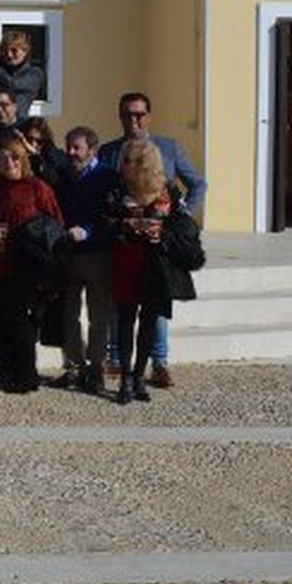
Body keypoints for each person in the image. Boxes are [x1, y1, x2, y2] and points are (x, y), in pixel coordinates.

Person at [96, 91, 208, 390]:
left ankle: (158, 364)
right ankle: (117, 361)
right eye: (126, 114)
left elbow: (197, 184)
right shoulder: (109, 152)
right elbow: (105, 198)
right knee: (122, 308)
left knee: (154, 310)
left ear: (149, 115)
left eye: (139, 114)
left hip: (158, 249)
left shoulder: (168, 147)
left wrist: (178, 217)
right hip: (124, 245)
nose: (133, 120)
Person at [105, 138, 192, 405]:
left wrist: (161, 232)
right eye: (125, 159)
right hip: (126, 260)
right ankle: (126, 379)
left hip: (155, 264)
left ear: (145, 164)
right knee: (126, 319)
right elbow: (106, 220)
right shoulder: (118, 189)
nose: (124, 165)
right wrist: (128, 225)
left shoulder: (167, 191)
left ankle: (139, 376)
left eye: (131, 161)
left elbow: (183, 225)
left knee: (149, 322)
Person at [0, 137, 64, 394]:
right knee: (5, 320)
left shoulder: (38, 188)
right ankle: (10, 372)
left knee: (22, 322)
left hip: (29, 267)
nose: (9, 163)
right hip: (0, 263)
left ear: (23, 160)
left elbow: (55, 225)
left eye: (14, 157)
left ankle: (27, 376)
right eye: (3, 159)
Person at [53, 125, 117, 394]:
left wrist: (89, 231)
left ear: (92, 149)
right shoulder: (63, 175)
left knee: (98, 315)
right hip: (69, 254)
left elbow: (112, 216)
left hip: (97, 254)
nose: (71, 153)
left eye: (76, 148)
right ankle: (74, 367)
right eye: (68, 147)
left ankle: (95, 369)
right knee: (69, 313)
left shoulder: (107, 176)